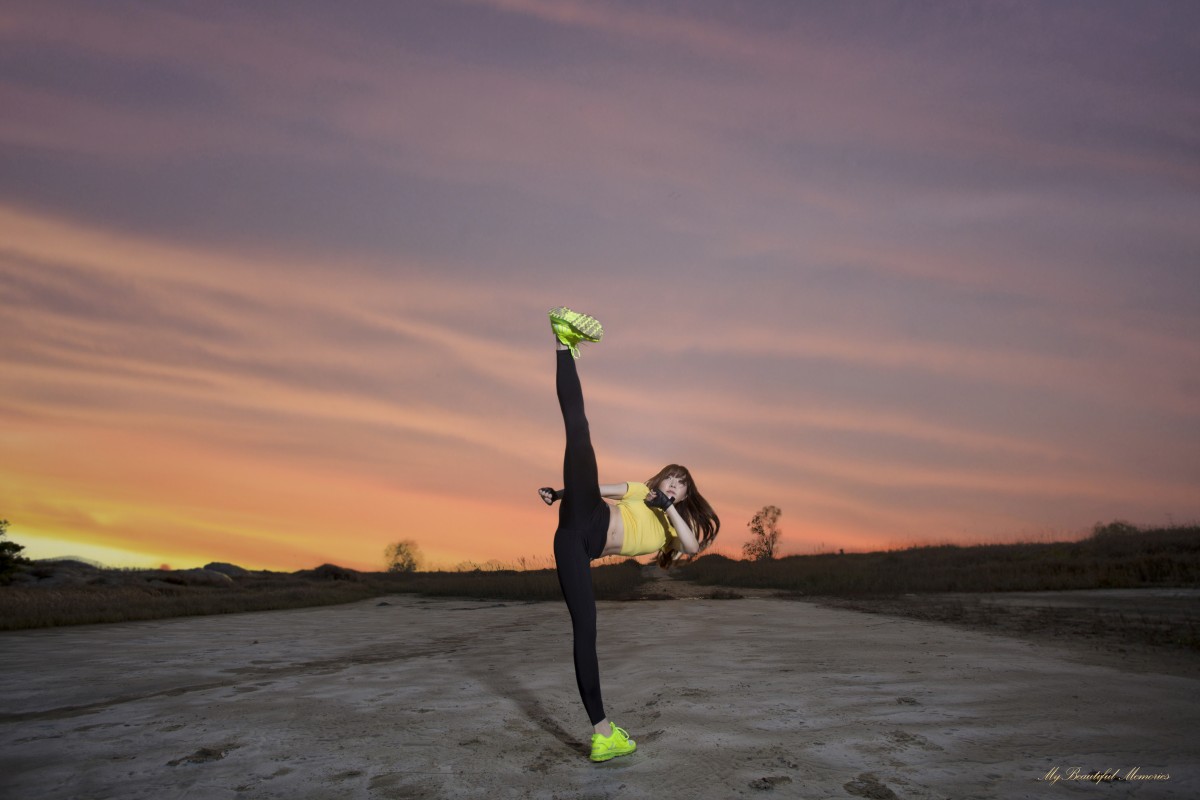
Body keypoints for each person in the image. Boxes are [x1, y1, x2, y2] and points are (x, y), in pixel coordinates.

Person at [539, 306, 720, 762]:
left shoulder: (670, 532)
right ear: (659, 478)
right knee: (580, 436)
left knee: (586, 630)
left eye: (682, 483)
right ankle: (565, 344)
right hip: (587, 515)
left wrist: (672, 511)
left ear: (684, 494)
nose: (673, 484)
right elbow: (600, 486)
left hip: (577, 546)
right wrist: (563, 492)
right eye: (671, 478)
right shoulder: (641, 490)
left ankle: (602, 734)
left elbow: (693, 547)